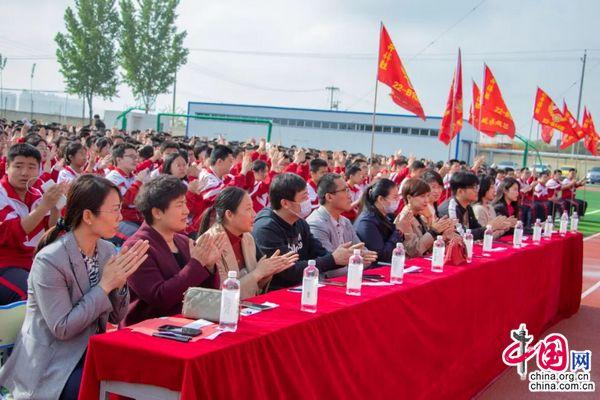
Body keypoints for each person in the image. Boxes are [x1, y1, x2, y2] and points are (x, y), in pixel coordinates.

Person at [0, 174, 149, 400]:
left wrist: (120, 283)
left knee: (142, 374)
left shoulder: (107, 250)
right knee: (99, 390)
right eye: (114, 210)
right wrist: (105, 285)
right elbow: (62, 328)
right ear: (88, 216)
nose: (120, 217)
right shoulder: (49, 260)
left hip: (90, 351)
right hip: (52, 362)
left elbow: (116, 316)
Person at [122, 175, 226, 326]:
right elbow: (160, 298)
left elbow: (203, 293)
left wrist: (209, 266)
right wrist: (197, 264)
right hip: (150, 330)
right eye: (179, 205)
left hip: (187, 325)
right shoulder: (137, 247)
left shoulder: (183, 241)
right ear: (157, 212)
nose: (186, 211)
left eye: (185, 203)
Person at [253, 173, 358, 289]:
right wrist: (332, 259)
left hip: (303, 287)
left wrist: (343, 256)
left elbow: (318, 251)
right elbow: (288, 271)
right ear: (285, 203)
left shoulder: (299, 221)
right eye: (304, 198)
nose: (309, 201)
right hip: (277, 292)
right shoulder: (266, 229)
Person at [198, 187, 299, 298]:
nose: (254, 214)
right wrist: (258, 273)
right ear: (229, 214)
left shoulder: (247, 238)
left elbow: (254, 286)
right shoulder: (210, 243)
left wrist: (266, 273)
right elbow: (222, 295)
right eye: (248, 209)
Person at [0, 144, 65, 305]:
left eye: (31, 167)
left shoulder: (38, 193)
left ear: (39, 170)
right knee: (33, 295)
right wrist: (44, 206)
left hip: (33, 262)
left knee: (68, 287)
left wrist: (55, 208)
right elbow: (14, 232)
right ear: (7, 168)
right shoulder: (2, 194)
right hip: (5, 264)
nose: (25, 173)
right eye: (18, 166)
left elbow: (51, 231)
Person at [307, 173, 377, 266]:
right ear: (329, 197)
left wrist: (358, 259)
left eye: (348, 190)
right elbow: (329, 265)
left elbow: (365, 254)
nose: (350, 196)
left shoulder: (345, 221)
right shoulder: (316, 224)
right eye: (345, 190)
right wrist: (357, 260)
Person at [397, 178, 455, 257]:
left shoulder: (420, 215)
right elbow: (414, 251)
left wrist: (443, 235)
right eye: (422, 196)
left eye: (427, 196)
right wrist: (433, 231)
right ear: (409, 198)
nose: (426, 200)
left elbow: (428, 247)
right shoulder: (404, 219)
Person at [354, 178, 408, 262]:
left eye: (398, 196)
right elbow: (380, 256)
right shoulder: (367, 222)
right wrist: (398, 231)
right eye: (395, 197)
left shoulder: (387, 216)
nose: (398, 200)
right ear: (381, 199)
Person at [438, 171, 503, 240]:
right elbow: (460, 234)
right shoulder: (451, 207)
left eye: (477, 187)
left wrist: (497, 227)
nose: (477, 191)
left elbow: (475, 227)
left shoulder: (467, 205)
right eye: (474, 187)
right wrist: (489, 227)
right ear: (460, 191)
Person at [105, 143, 149, 241]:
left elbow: (143, 200)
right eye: (131, 157)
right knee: (140, 238)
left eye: (136, 157)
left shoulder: (134, 177)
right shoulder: (113, 177)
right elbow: (126, 201)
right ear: (119, 159)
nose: (136, 160)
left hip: (136, 218)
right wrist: (138, 182)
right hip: (119, 219)